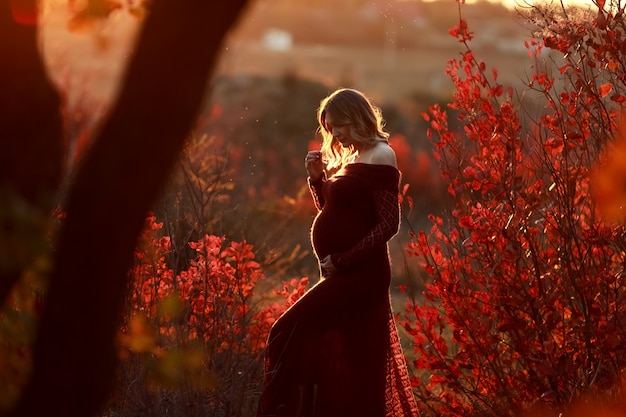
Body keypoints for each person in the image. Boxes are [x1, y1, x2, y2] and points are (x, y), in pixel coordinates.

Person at [256, 88, 419, 417]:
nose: (334, 135)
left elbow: (388, 224)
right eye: (329, 128)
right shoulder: (351, 158)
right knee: (344, 357)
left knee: (284, 332)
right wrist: (318, 181)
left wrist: (343, 261)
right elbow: (331, 210)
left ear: (355, 118)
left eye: (337, 126)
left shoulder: (381, 154)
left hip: (362, 275)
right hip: (343, 271)